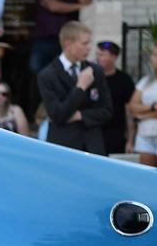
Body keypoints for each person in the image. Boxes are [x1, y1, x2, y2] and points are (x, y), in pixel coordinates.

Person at [36, 21, 112, 154]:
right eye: (84, 43)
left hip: (93, 147)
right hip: (63, 147)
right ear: (68, 44)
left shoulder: (96, 71)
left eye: (89, 43)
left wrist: (81, 115)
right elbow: (58, 115)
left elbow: (107, 111)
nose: (89, 48)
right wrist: (80, 87)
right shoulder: (47, 75)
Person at [30, 0, 95, 75]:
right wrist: (80, 6)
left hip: (67, 40)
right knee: (36, 68)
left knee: (67, 72)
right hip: (45, 39)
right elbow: (54, 6)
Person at [127, 43, 157, 167]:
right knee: (147, 175)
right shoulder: (146, 81)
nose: (151, 58)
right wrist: (154, 107)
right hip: (144, 134)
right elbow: (132, 106)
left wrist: (142, 115)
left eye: (155, 55)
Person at [95, 40, 135, 155]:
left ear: (113, 56)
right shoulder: (90, 77)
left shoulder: (124, 80)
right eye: (97, 54)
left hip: (116, 135)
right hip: (93, 132)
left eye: (102, 55)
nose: (98, 58)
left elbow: (129, 111)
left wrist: (130, 140)